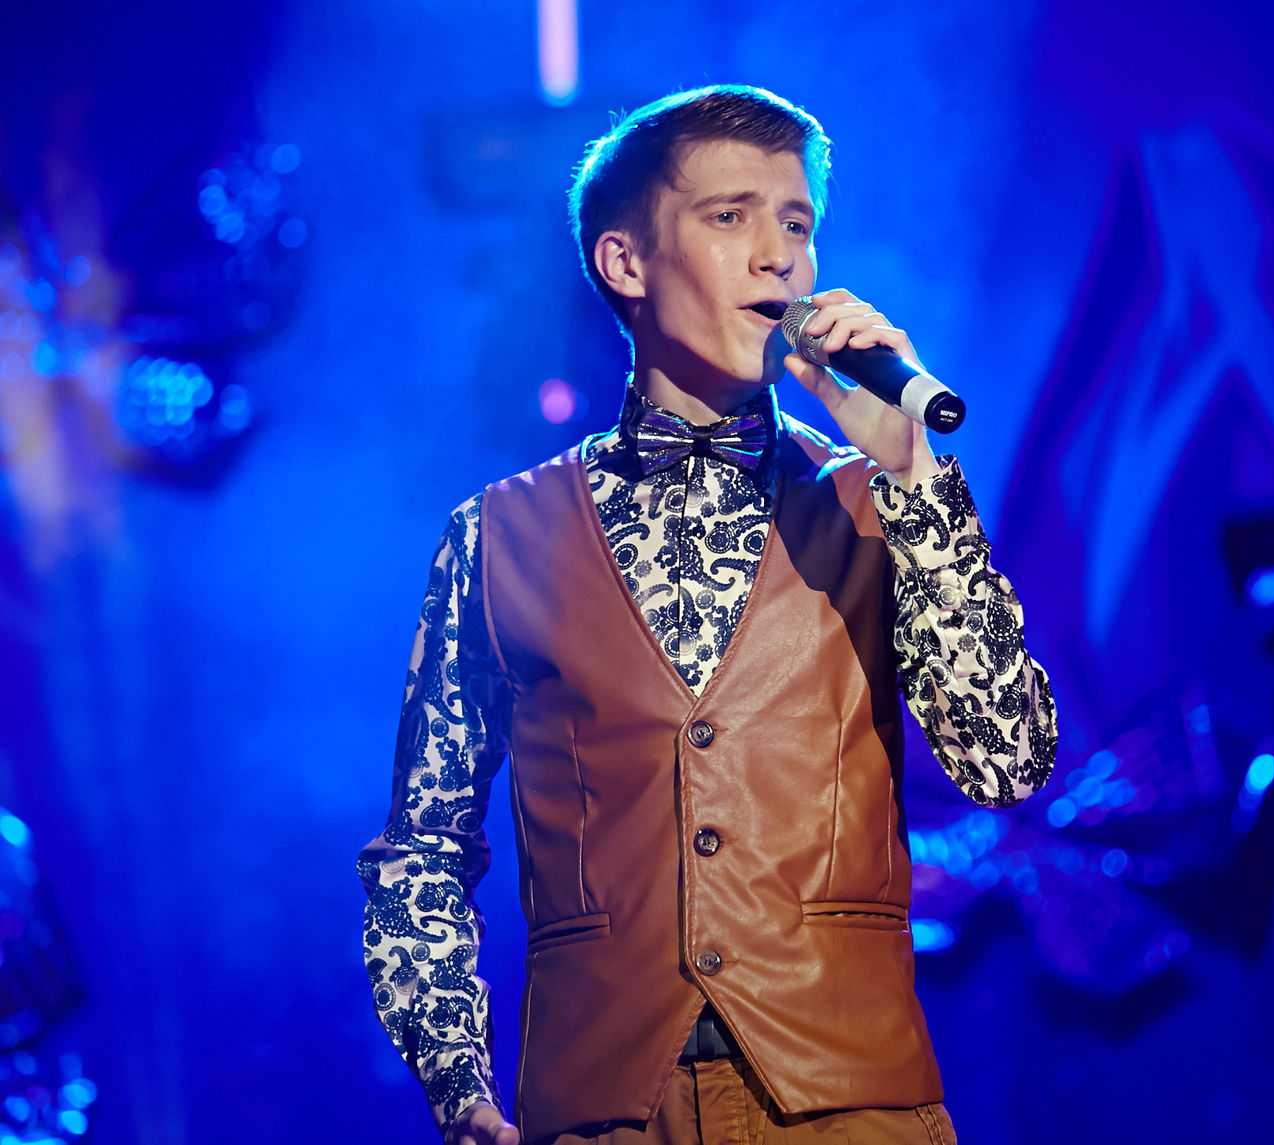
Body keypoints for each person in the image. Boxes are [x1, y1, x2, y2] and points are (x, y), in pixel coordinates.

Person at [359, 84, 1057, 1145]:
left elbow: (1008, 761)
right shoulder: (496, 537)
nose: (778, 256)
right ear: (625, 262)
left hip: (850, 1104)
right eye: (731, 216)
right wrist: (459, 1086)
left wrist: (913, 476)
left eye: (797, 224)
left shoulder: (877, 499)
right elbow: (423, 848)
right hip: (605, 1110)